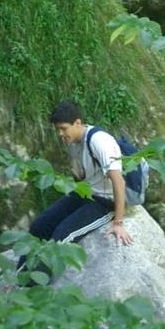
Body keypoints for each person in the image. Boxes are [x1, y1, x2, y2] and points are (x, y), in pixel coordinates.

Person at [26, 101, 134, 264]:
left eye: (63, 128)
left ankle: (36, 278)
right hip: (85, 194)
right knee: (39, 226)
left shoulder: (99, 141)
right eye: (57, 129)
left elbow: (118, 181)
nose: (60, 134)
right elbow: (79, 176)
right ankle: (21, 274)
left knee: (62, 237)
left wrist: (118, 222)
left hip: (105, 202)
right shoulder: (73, 143)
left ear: (77, 123)